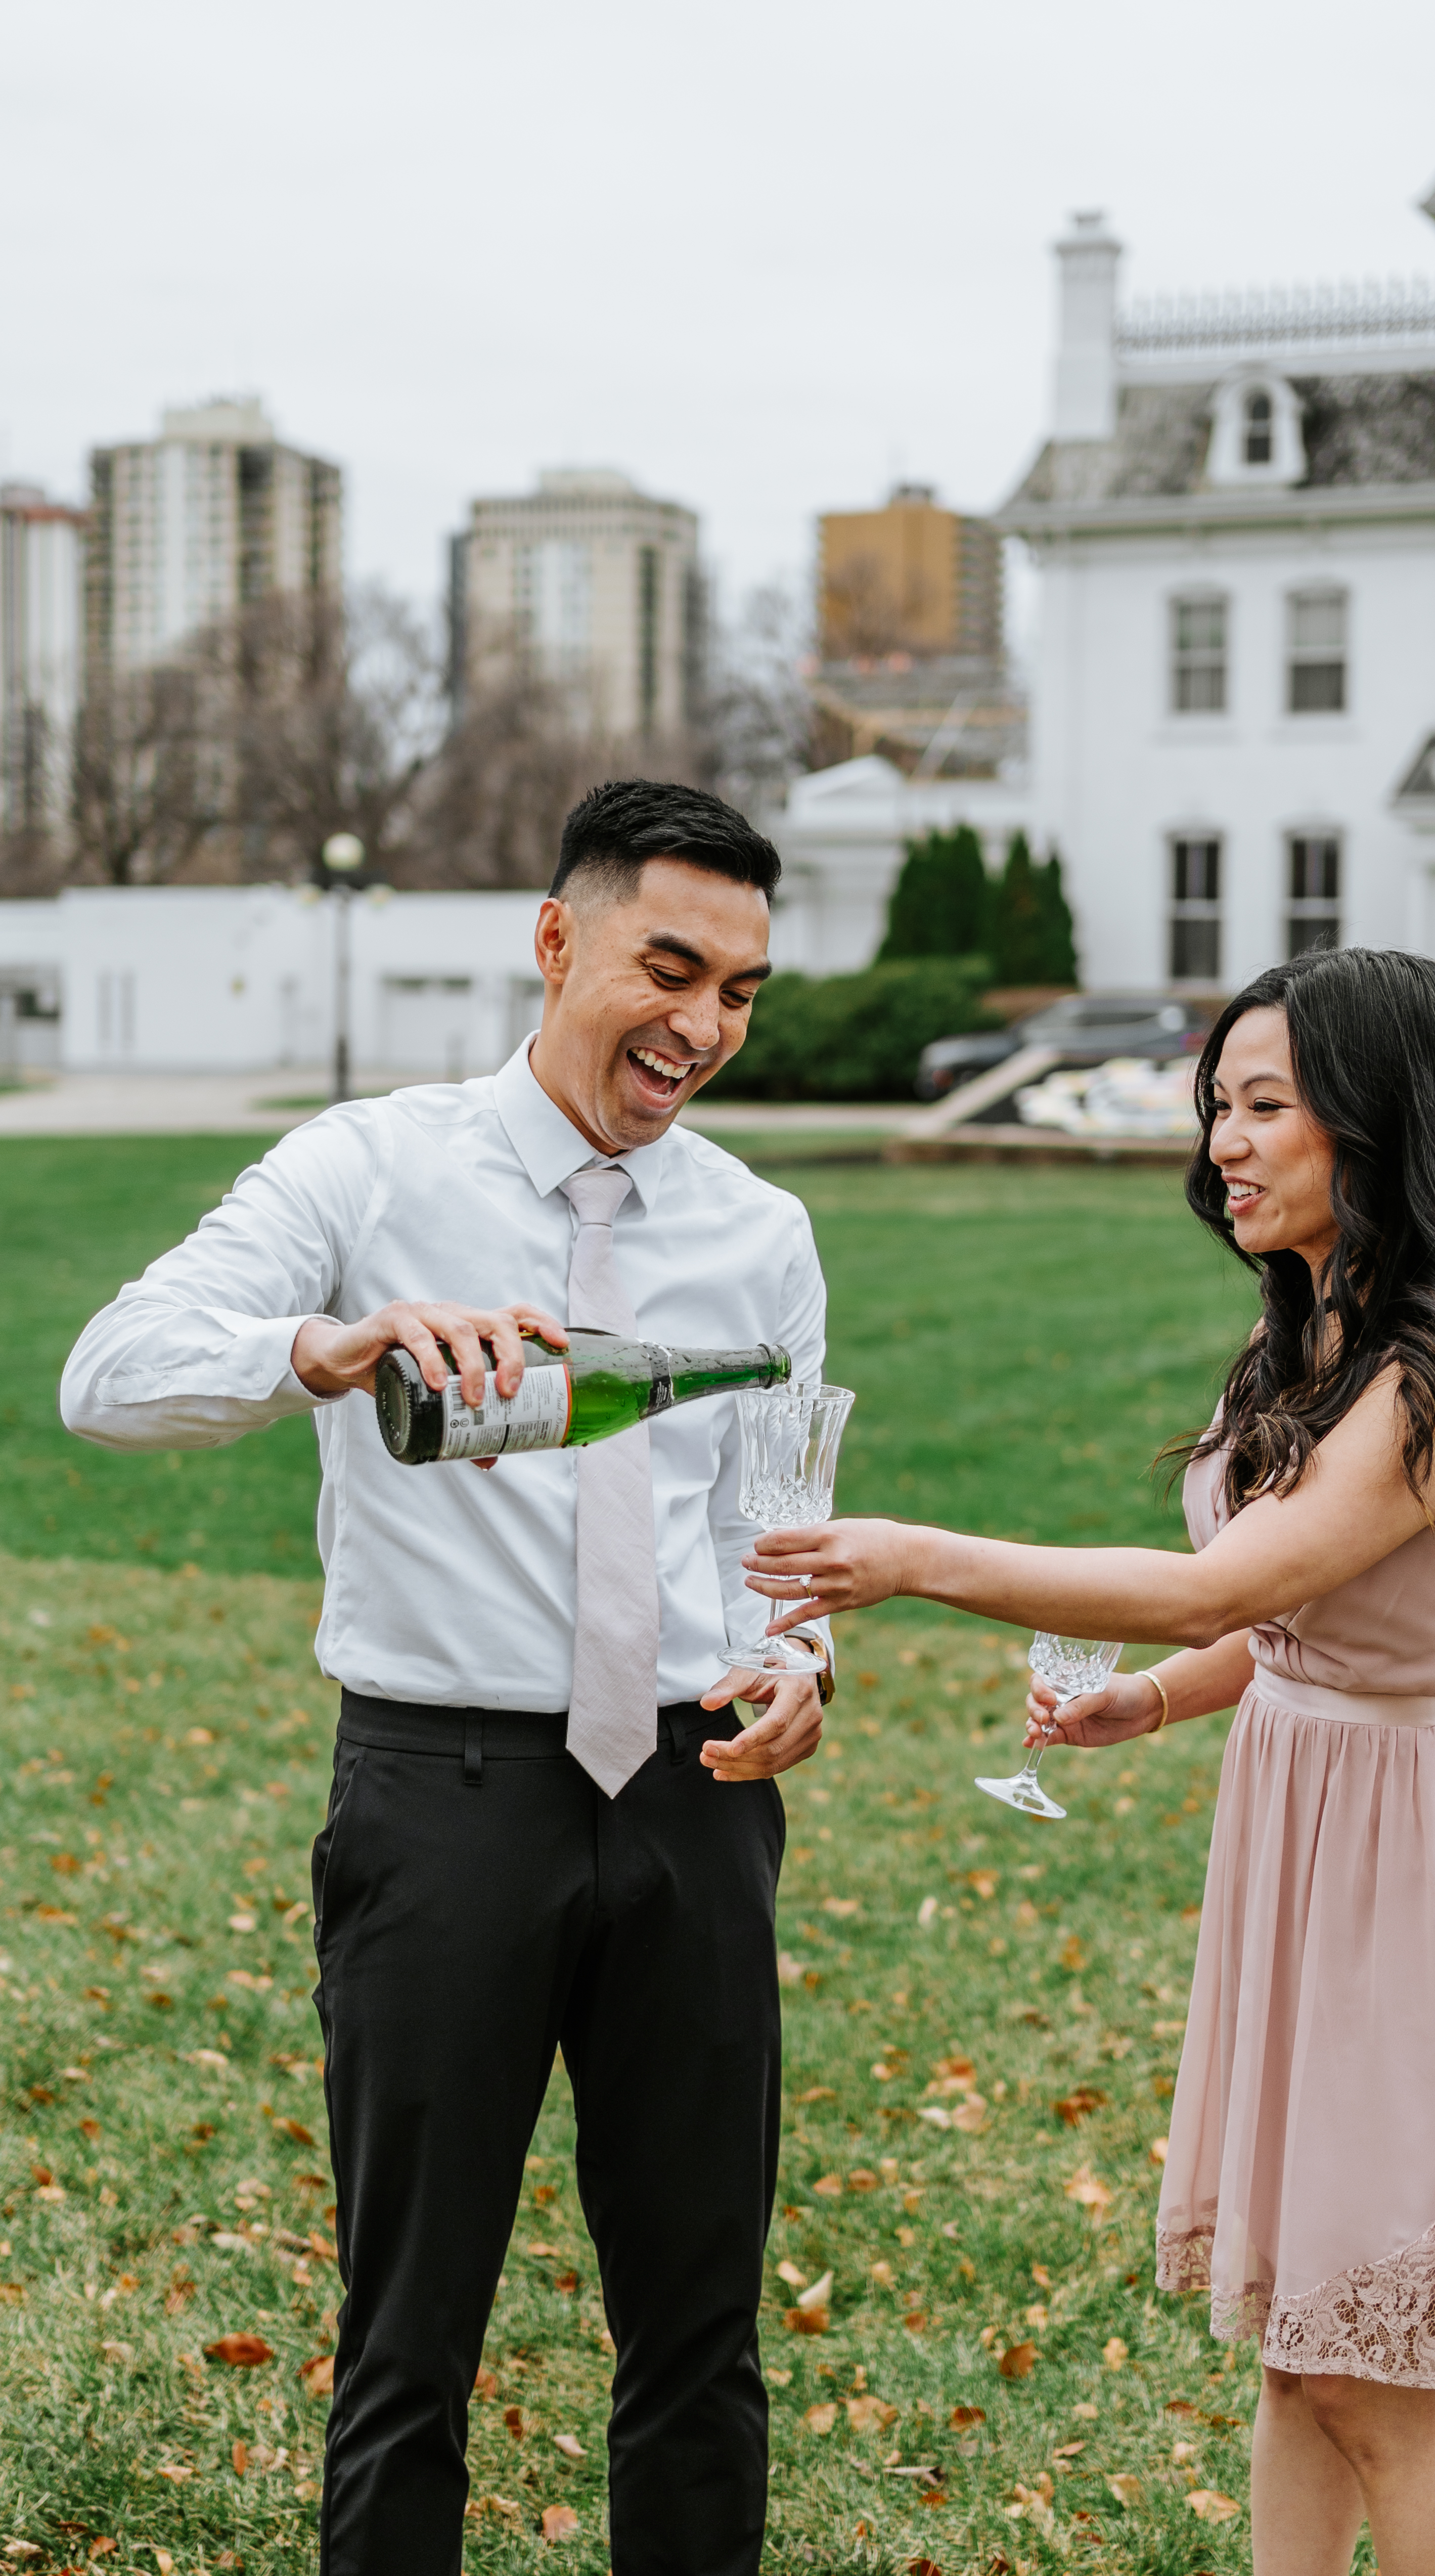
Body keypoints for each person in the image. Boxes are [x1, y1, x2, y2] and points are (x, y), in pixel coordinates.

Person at [747, 948, 1435, 2576]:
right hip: (1311, 1835)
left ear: (1371, 1119)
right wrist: (1152, 1703)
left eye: (1262, 1107)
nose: (1222, 1144)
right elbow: (1302, 1614)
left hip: (1425, 1872)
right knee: (1301, 2356)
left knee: (1379, 2379)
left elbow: (1230, 1582)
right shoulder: (1319, 1335)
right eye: (1213, 1108)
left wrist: (910, 1554)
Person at [61, 780, 832, 2576]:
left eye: (739, 992)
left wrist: (797, 1661)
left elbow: (778, 1516)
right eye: (669, 967)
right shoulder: (371, 1165)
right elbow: (112, 1371)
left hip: (700, 1803)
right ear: (555, 942)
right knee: (410, 2344)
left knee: (702, 2340)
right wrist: (328, 1347)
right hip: (442, 1803)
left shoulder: (760, 1231)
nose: (703, 1026)